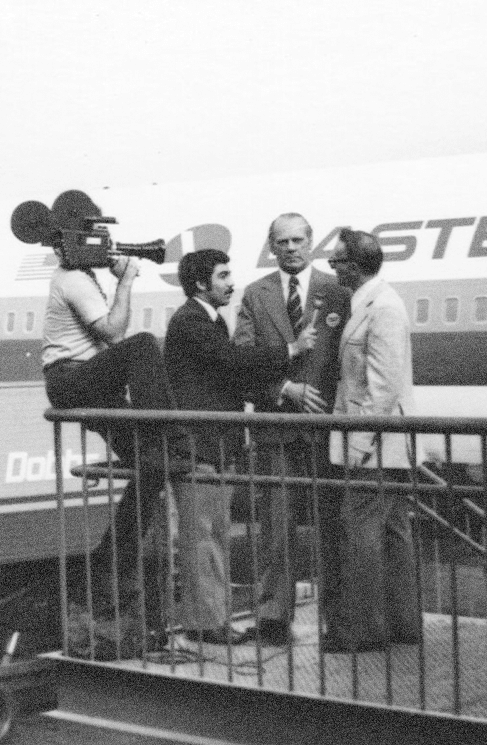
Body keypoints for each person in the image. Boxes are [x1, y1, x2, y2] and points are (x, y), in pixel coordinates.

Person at [163, 249, 316, 646]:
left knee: (211, 534)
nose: (231, 283)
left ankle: (210, 619)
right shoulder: (191, 322)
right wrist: (290, 350)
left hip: (215, 445)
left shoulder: (208, 320)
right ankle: (206, 623)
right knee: (203, 536)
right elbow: (231, 362)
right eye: (223, 276)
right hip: (201, 447)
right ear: (201, 284)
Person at [42, 239, 188, 597]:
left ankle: (107, 568)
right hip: (72, 380)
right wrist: (125, 281)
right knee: (143, 344)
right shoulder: (73, 278)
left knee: (153, 466)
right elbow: (114, 333)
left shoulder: (82, 276)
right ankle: (168, 433)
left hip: (88, 383)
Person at [234, 213, 350, 646]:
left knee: (333, 528)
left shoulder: (337, 292)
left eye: (298, 240)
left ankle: (338, 618)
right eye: (282, 242)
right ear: (271, 245)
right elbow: (242, 360)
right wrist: (284, 388)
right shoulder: (255, 295)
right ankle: (273, 618)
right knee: (275, 528)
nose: (291, 248)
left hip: (325, 431)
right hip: (276, 427)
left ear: (311, 242)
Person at [324, 228, 423, 652]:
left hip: (375, 442)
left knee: (361, 532)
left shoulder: (382, 307)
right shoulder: (372, 302)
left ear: (354, 265)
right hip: (387, 442)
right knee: (392, 533)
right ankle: (402, 625)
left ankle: (362, 630)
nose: (332, 268)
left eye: (336, 261)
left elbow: (382, 388)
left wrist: (360, 445)